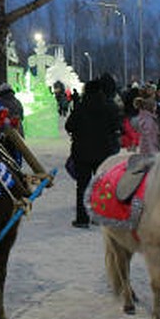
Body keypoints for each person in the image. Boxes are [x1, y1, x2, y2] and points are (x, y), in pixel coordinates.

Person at [64, 77, 121, 228]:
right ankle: (99, 216)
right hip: (104, 153)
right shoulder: (109, 107)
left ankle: (82, 218)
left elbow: (69, 126)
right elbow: (117, 125)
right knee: (101, 185)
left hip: (82, 153)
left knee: (82, 186)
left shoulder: (81, 107)